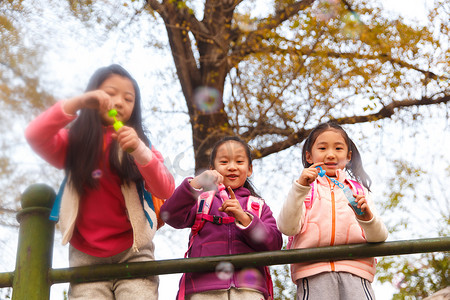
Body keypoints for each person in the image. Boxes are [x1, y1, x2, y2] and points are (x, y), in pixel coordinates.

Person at [25, 64, 175, 299]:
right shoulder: (74, 145)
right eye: (109, 93)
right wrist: (77, 102)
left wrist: (139, 151)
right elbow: (35, 135)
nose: (118, 102)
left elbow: (166, 188)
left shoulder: (139, 145)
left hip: (133, 250)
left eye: (128, 98)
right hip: (86, 255)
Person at [161, 136, 282, 300]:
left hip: (249, 291)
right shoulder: (202, 201)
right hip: (203, 290)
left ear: (250, 169)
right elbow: (170, 215)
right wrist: (195, 184)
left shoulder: (258, 206)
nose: (232, 167)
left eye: (239, 162)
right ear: (212, 168)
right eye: (224, 162)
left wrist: (245, 218)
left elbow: (274, 244)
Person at [277, 122, 388, 300]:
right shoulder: (304, 190)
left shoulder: (358, 191)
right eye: (322, 148)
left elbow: (379, 237)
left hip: (356, 273)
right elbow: (287, 228)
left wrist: (367, 218)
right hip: (313, 273)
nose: (330, 154)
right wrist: (300, 188)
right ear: (309, 156)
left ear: (348, 156)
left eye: (338, 148)